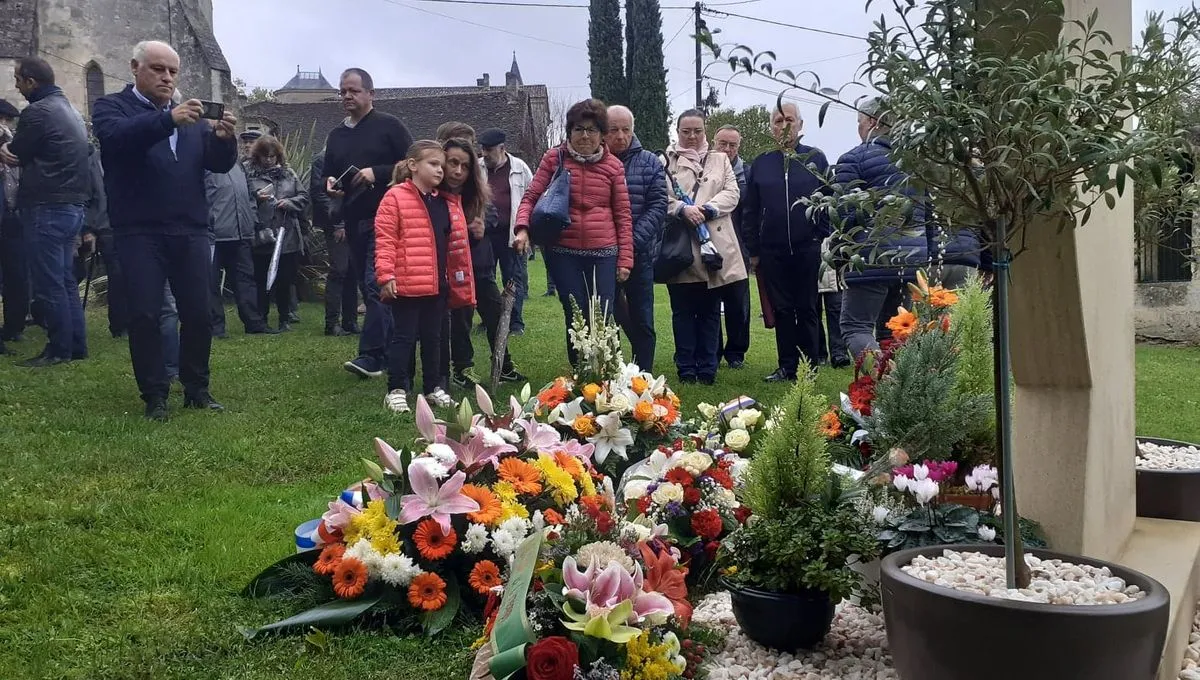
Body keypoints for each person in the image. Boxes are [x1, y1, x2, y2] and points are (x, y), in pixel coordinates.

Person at [92, 40, 239, 420]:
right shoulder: (112, 108)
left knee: (199, 312)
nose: (167, 78)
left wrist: (224, 141)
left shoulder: (187, 120)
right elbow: (117, 139)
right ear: (135, 67)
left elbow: (218, 165)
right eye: (158, 69)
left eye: (173, 71)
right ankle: (154, 393)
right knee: (144, 314)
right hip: (138, 229)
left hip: (189, 228)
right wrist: (168, 120)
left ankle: (196, 388)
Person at [514, 99, 633, 367]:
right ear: (569, 132)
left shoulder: (614, 167)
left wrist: (625, 260)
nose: (585, 136)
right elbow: (531, 196)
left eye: (592, 130)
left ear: (602, 135)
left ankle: (608, 371)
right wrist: (522, 229)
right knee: (575, 311)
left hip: (604, 252)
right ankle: (581, 372)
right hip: (563, 251)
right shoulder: (553, 158)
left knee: (603, 313)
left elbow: (623, 215)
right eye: (578, 129)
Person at [322, 67, 413, 379]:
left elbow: (413, 163)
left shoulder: (389, 126)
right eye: (343, 91)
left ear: (370, 94)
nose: (347, 96)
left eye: (354, 91)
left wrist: (379, 172)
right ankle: (390, 349)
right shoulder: (335, 135)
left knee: (377, 284)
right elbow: (329, 172)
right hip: (353, 217)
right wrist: (330, 182)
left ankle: (372, 356)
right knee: (367, 284)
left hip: (386, 216)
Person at [0, 57, 91, 367]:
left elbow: (16, 153)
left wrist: (5, 149)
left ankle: (59, 349)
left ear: (31, 82)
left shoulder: (37, 112)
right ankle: (76, 345)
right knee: (65, 279)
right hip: (72, 205)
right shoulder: (72, 112)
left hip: (46, 204)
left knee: (49, 281)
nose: (15, 85)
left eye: (17, 79)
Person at [375, 140, 474, 413]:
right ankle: (396, 389)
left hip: (436, 285)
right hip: (406, 284)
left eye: (442, 166)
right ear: (412, 165)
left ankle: (433, 388)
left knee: (433, 339)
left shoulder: (441, 201)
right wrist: (386, 274)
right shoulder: (395, 197)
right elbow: (385, 240)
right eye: (433, 164)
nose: (441, 171)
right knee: (403, 338)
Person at [833, 97, 932, 360]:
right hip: (912, 260)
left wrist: (841, 258)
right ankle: (901, 391)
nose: (859, 129)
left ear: (872, 122)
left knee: (856, 326)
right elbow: (927, 212)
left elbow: (844, 216)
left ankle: (880, 383)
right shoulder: (916, 164)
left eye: (859, 122)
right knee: (896, 329)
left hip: (871, 258)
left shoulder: (854, 159)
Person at [742, 101, 830, 382]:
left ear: (800, 125)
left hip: (807, 247)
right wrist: (754, 250)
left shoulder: (816, 158)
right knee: (781, 309)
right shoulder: (762, 163)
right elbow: (750, 210)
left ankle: (810, 368)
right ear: (771, 128)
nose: (784, 126)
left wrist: (820, 235)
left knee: (807, 308)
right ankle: (786, 366)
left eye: (789, 120)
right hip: (772, 250)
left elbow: (828, 202)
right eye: (778, 121)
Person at [436, 124, 522, 388]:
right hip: (452, 267)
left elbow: (493, 214)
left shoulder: (477, 192)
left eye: (464, 165)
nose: (457, 171)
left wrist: (484, 224)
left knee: (494, 314)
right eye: (452, 163)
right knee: (460, 318)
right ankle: (462, 368)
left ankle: (503, 364)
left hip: (480, 264)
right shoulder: (433, 194)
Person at [662, 109, 745, 385]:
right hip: (682, 248)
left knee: (710, 312)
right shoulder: (666, 161)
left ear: (705, 131)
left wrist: (707, 209)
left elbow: (732, 193)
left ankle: (708, 369)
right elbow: (662, 197)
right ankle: (686, 369)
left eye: (697, 130)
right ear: (678, 132)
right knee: (682, 312)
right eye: (686, 131)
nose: (692, 136)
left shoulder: (721, 159)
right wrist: (683, 209)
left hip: (713, 247)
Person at [604, 105, 667, 372]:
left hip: (639, 254)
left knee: (642, 319)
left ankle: (644, 378)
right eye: (613, 130)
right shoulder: (595, 163)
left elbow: (658, 205)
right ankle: (609, 375)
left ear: (633, 129)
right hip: (603, 254)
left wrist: (631, 241)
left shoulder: (650, 162)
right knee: (606, 319)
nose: (620, 136)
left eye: (625, 129)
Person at [244, 135, 309, 333]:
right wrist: (257, 197)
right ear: (258, 156)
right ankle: (261, 319)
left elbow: (304, 196)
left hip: (287, 234)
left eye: (272, 156)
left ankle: (284, 318)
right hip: (262, 234)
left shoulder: (289, 174)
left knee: (284, 279)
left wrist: (290, 203)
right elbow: (243, 199)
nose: (269, 160)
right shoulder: (250, 175)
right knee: (261, 278)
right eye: (265, 156)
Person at [207, 137, 268, 337]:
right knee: (210, 284)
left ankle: (254, 324)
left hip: (241, 233)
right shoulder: (205, 165)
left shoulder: (239, 167)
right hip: (213, 235)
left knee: (246, 281)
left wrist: (251, 219)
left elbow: (249, 195)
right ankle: (216, 328)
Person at [478, 128, 532, 335]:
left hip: (512, 235)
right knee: (485, 279)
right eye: (483, 149)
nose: (485, 153)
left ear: (502, 148)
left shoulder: (520, 168)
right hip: (484, 236)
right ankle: (488, 319)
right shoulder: (477, 168)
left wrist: (527, 231)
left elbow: (531, 198)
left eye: (489, 149)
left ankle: (515, 323)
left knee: (513, 278)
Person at [712, 124, 752, 369]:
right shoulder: (704, 169)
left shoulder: (748, 172)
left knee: (739, 305)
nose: (727, 149)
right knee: (711, 303)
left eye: (732, 145)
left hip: (740, 247)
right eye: (722, 144)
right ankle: (713, 351)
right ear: (714, 143)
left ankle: (736, 353)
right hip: (711, 245)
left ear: (739, 146)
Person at [312, 149, 357, 336]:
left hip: (354, 222)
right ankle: (332, 323)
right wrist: (338, 222)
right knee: (339, 270)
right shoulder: (323, 160)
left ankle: (350, 321)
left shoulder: (355, 158)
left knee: (352, 272)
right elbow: (318, 192)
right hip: (335, 223)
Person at [0, 98, 29, 345]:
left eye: (7, 122)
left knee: (17, 275)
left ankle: (14, 326)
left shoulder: (13, 147)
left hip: (13, 216)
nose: (5, 126)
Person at [816, 236, 850, 367]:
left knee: (836, 310)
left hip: (834, 267)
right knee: (813, 311)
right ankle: (818, 353)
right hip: (812, 261)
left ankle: (839, 354)